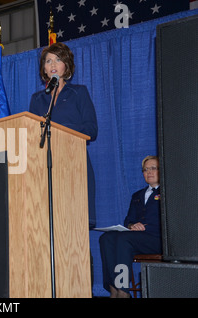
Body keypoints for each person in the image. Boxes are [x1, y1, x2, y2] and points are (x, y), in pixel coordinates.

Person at [29, 42, 98, 229]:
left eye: (58, 60)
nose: (52, 65)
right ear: (43, 68)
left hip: (74, 163)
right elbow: (33, 134)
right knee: (50, 225)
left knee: (74, 225)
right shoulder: (37, 99)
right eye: (48, 61)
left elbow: (91, 130)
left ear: (66, 65)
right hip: (46, 166)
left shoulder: (79, 92)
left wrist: (60, 129)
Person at [99, 156, 162, 298]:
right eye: (145, 170)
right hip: (136, 238)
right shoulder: (137, 195)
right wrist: (132, 225)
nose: (149, 172)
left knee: (124, 239)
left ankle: (123, 291)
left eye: (153, 168)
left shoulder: (169, 193)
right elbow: (128, 219)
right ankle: (113, 287)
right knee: (106, 238)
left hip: (156, 239)